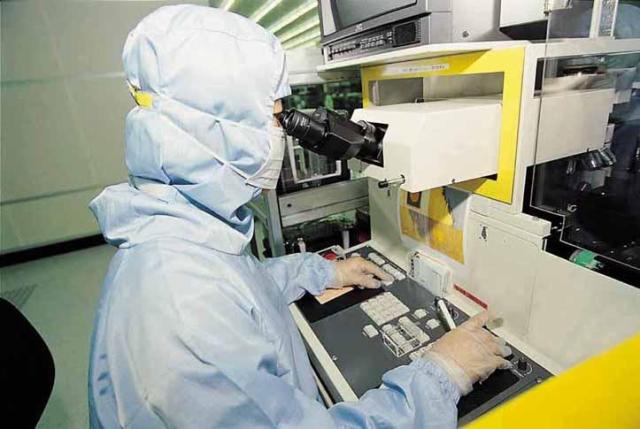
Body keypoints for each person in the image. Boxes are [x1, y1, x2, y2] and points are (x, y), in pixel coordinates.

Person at [88, 5, 511, 428]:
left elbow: (241, 287)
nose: (279, 135)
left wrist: (320, 272)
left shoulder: (181, 242)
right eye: (273, 118)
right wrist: (442, 374)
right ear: (216, 131)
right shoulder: (185, 316)